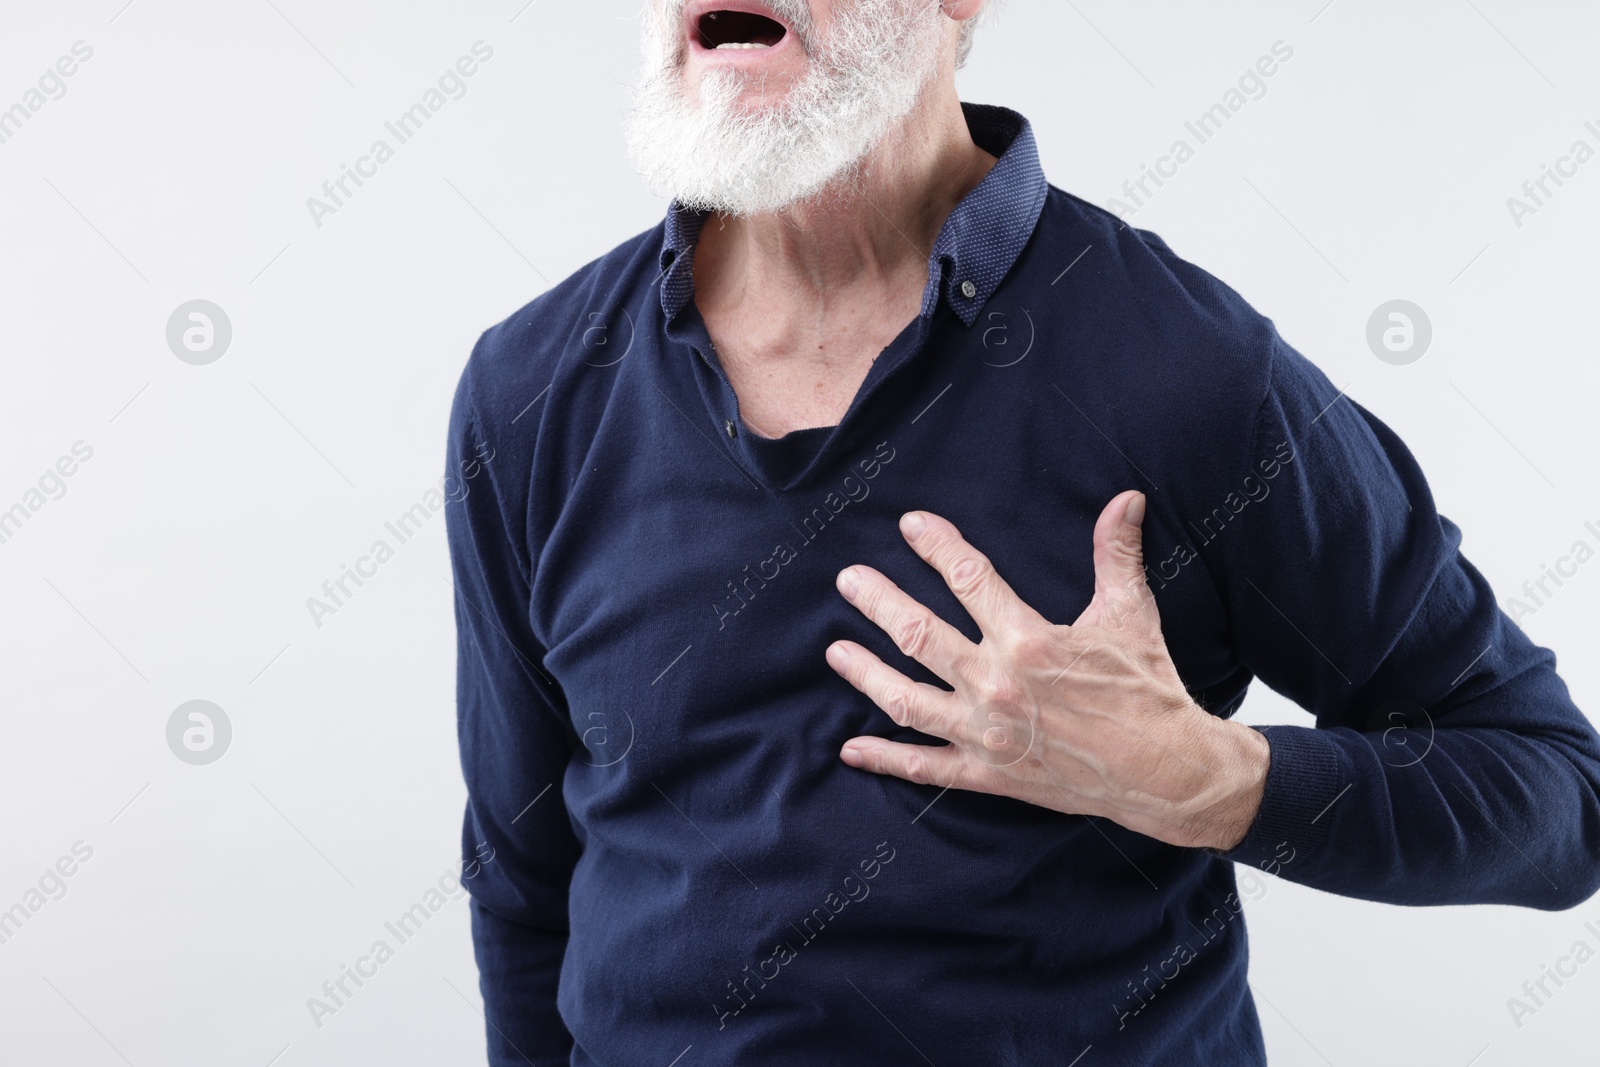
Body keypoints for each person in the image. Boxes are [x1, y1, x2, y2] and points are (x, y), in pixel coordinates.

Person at [443, 1, 1600, 1063]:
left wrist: (1202, 776)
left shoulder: (1190, 376)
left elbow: (1555, 793)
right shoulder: (532, 390)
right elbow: (522, 878)